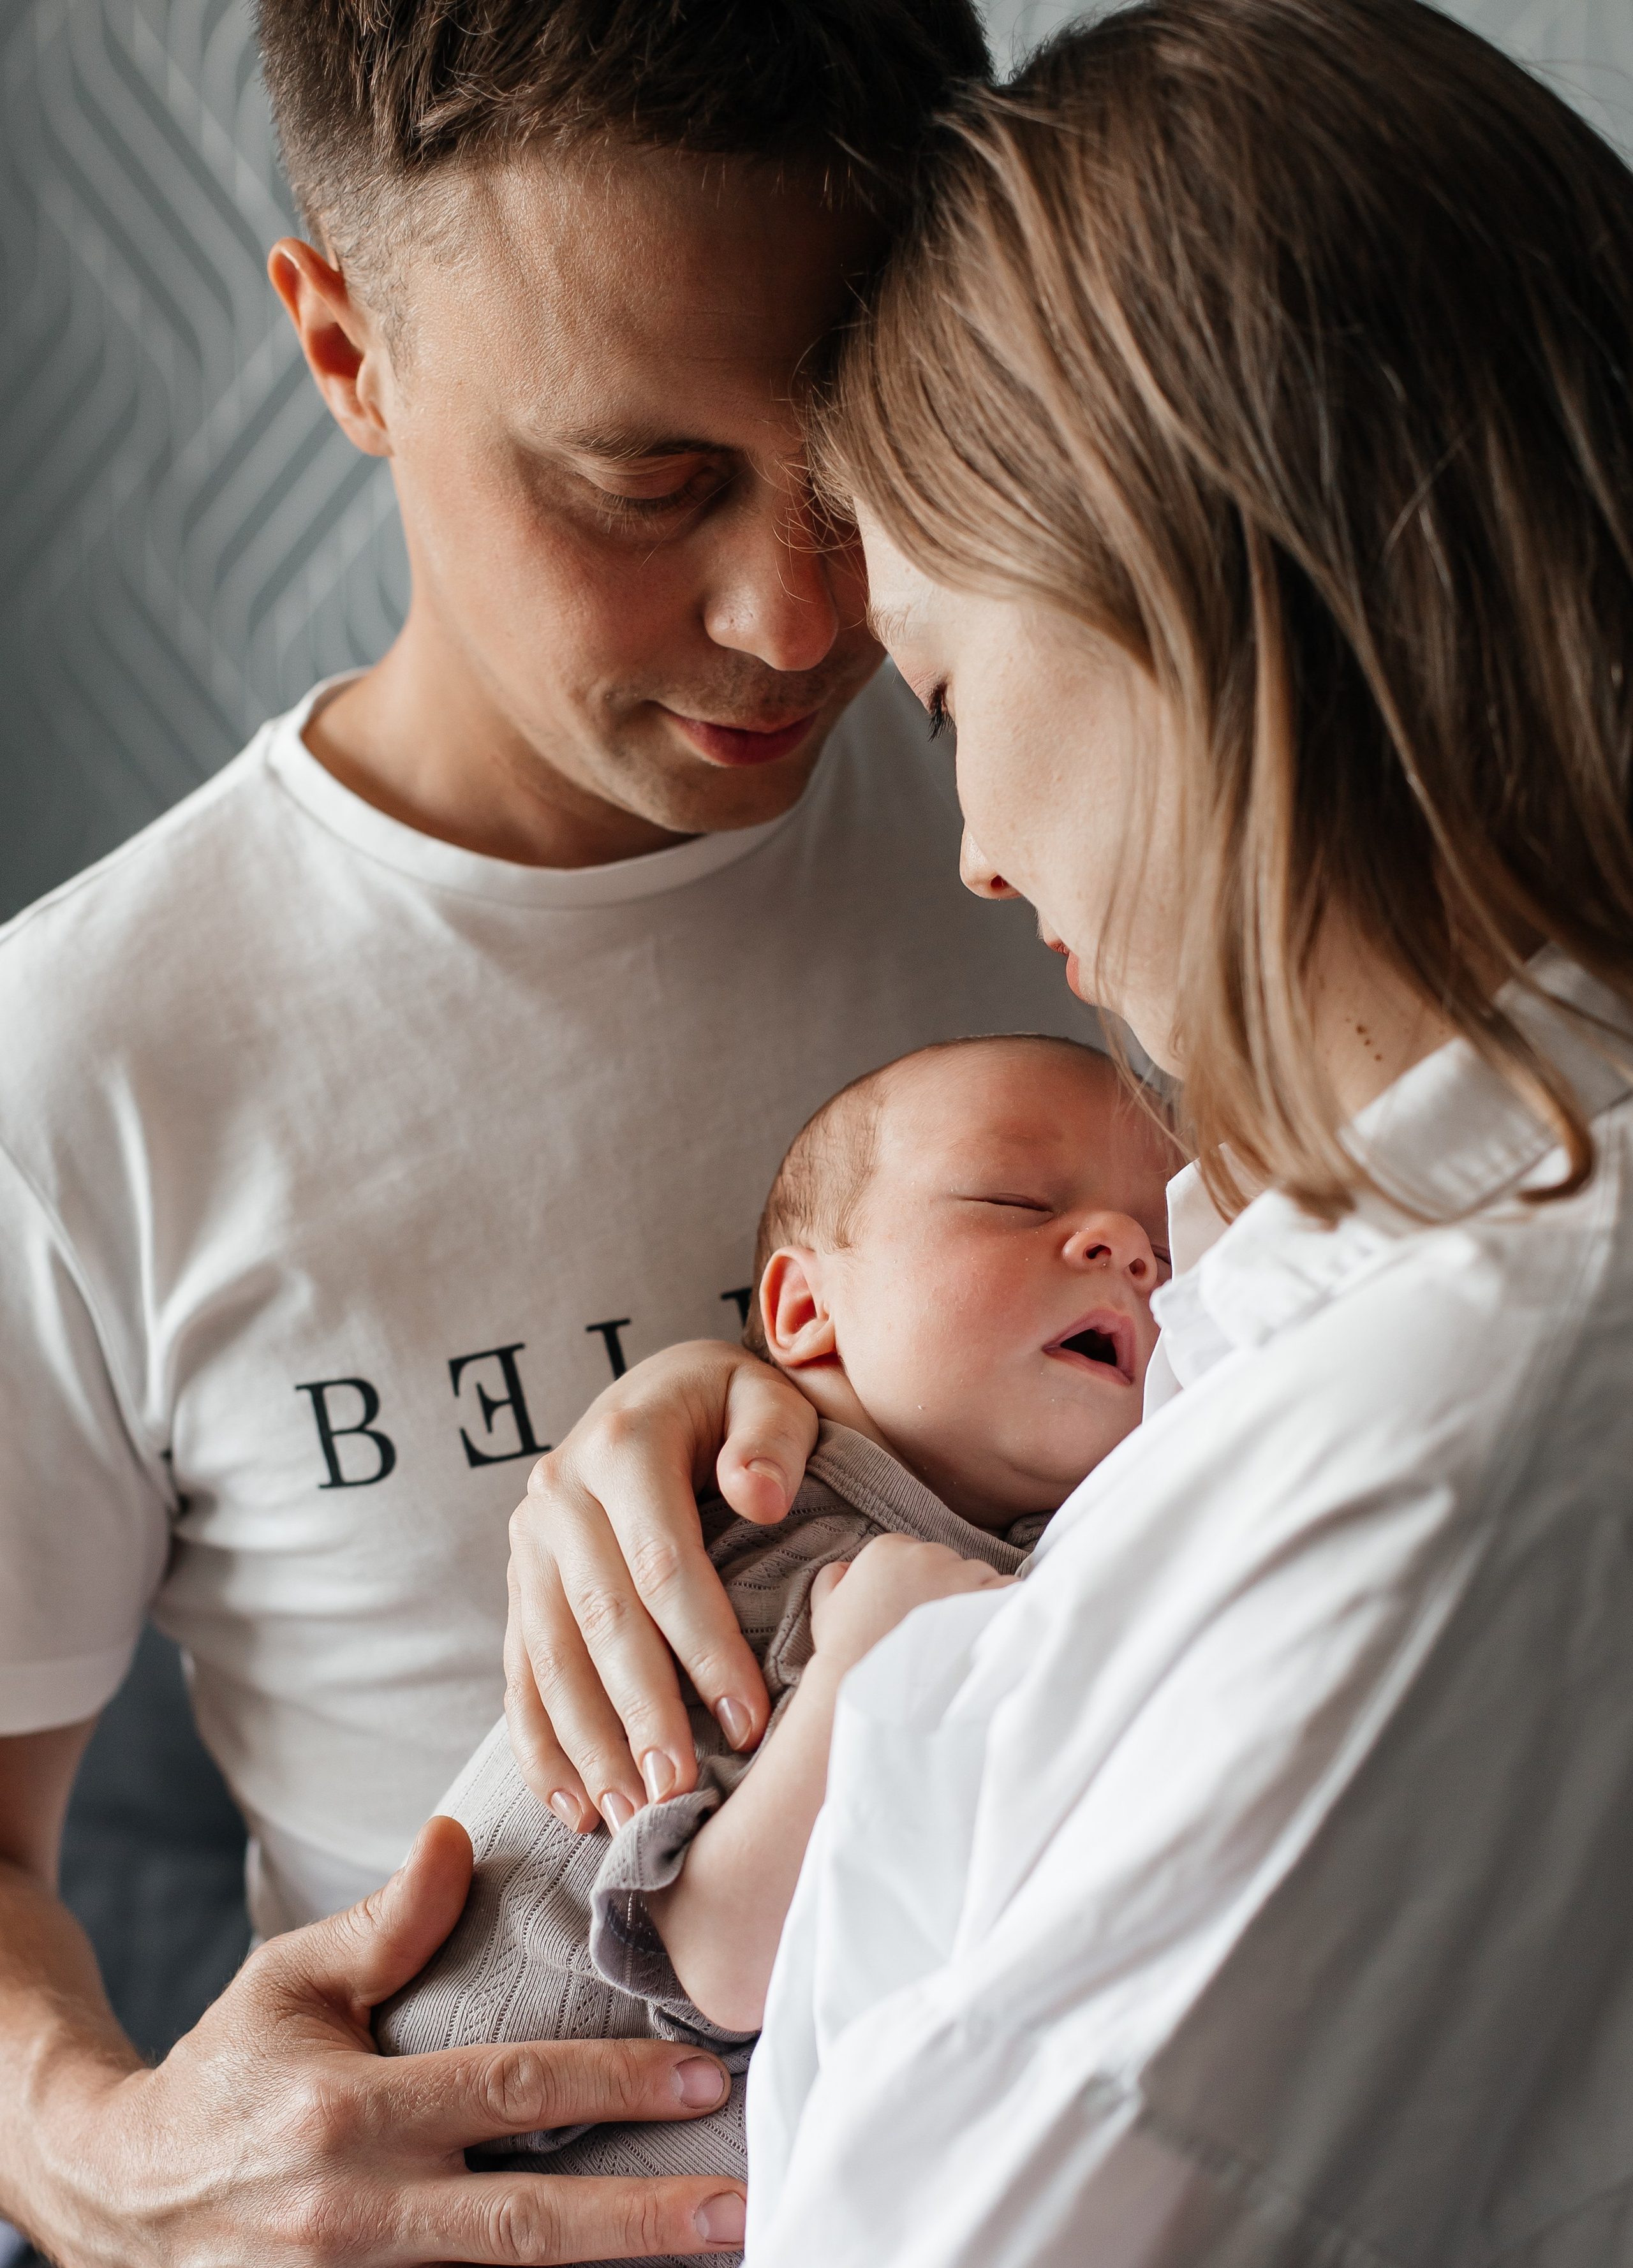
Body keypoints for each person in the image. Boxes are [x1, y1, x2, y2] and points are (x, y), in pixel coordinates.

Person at [496, 1, 1633, 2259]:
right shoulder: (1356, 1293)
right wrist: (818, 1417)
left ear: (1188, 578)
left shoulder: (1435, 1451)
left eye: (946, 695)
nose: (981, 852)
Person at [0, 4, 1103, 2262]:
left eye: (854, 455)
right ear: (347, 349)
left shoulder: (1095, 832)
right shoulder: (86, 1055)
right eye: (643, 484)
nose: (797, 612)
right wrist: (103, 2154)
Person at [374, 1034, 1176, 2244]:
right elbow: (723, 1960)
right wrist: (861, 1676)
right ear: (805, 1310)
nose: (1125, 1248)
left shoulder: (1019, 1542)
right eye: (1018, 1202)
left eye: (1167, 1246)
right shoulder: (771, 1543)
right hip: (468, 2169)